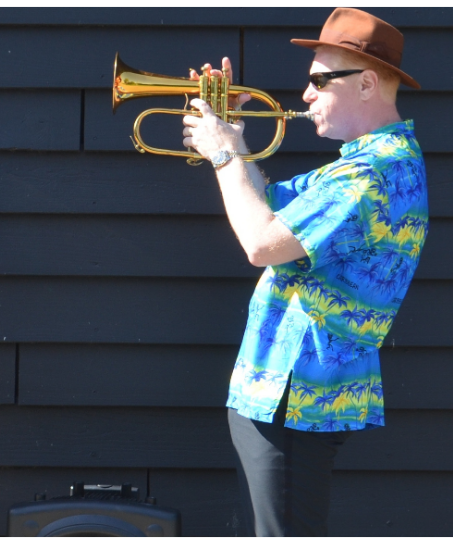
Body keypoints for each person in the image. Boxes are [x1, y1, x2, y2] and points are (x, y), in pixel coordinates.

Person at [181, 8, 428, 536]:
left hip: (295, 399)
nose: (306, 94)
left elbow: (261, 242)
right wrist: (235, 143)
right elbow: (267, 207)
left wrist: (222, 156)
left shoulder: (368, 174)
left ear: (366, 84)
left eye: (320, 81)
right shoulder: (368, 162)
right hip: (288, 395)